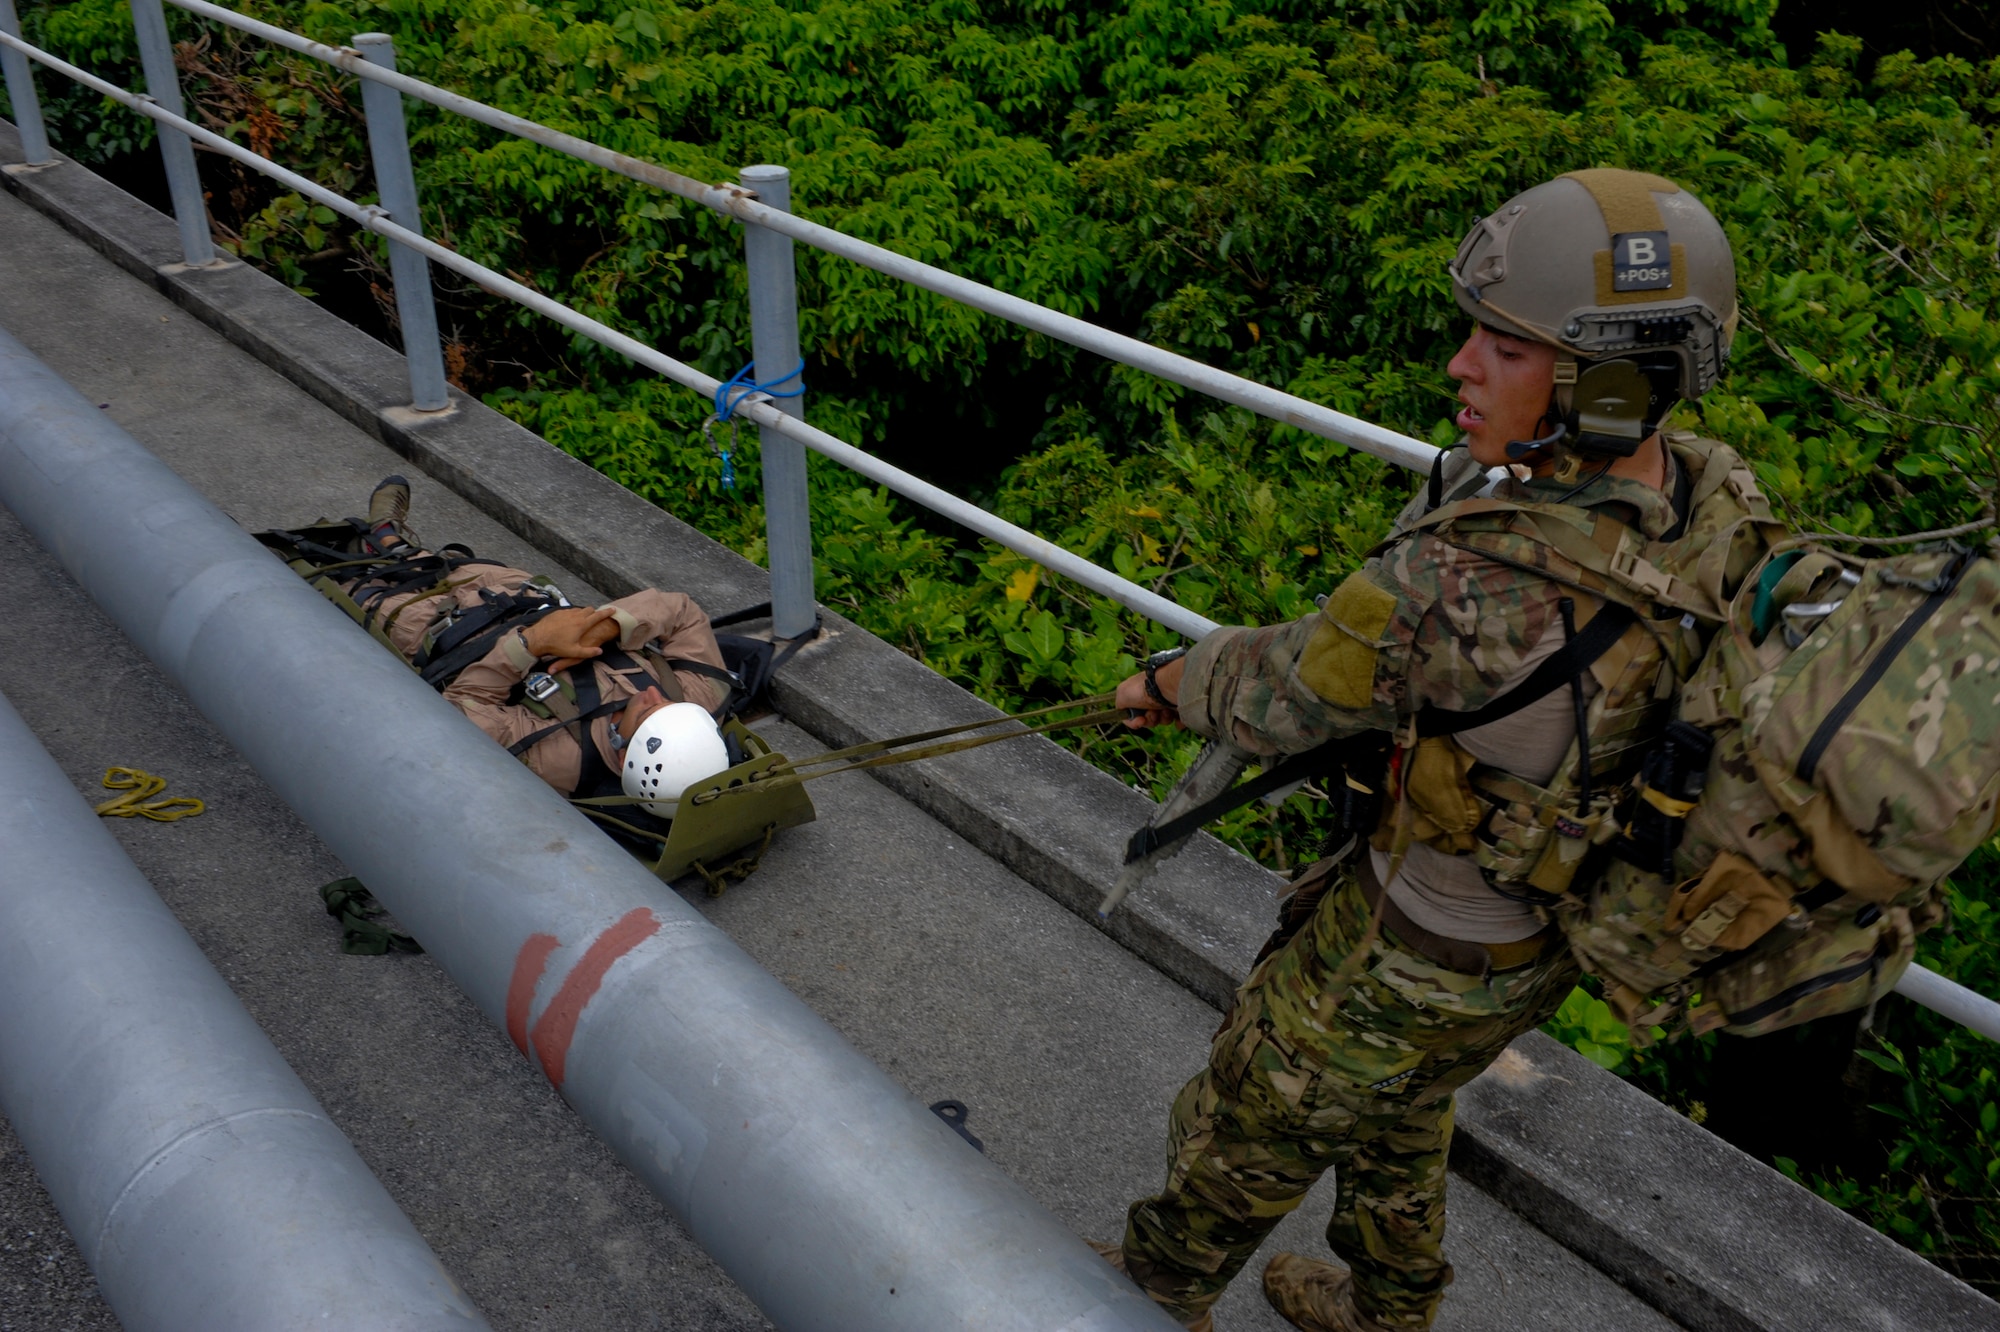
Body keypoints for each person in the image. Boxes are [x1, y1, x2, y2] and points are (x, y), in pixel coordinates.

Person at [1102, 169, 1747, 1331]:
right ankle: (1387, 1310)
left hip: (1414, 937)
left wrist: (1159, 684)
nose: (1458, 365)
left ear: (1607, 383)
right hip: (1541, 934)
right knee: (1405, 1102)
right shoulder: (1715, 501)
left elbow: (1279, 692)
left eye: (1502, 347)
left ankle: (1151, 1297)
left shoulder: (1464, 584)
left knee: (1240, 1128)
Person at [292, 476, 737, 807]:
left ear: (624, 758)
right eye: (671, 706)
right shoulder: (698, 698)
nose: (654, 693)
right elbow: (681, 612)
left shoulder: (557, 756)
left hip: (450, 634)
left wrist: (531, 644)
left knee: (358, 590)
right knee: (440, 569)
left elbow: (462, 714)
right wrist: (610, 624)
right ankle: (389, 537)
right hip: (525, 597)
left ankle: (306, 560)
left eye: (649, 712)